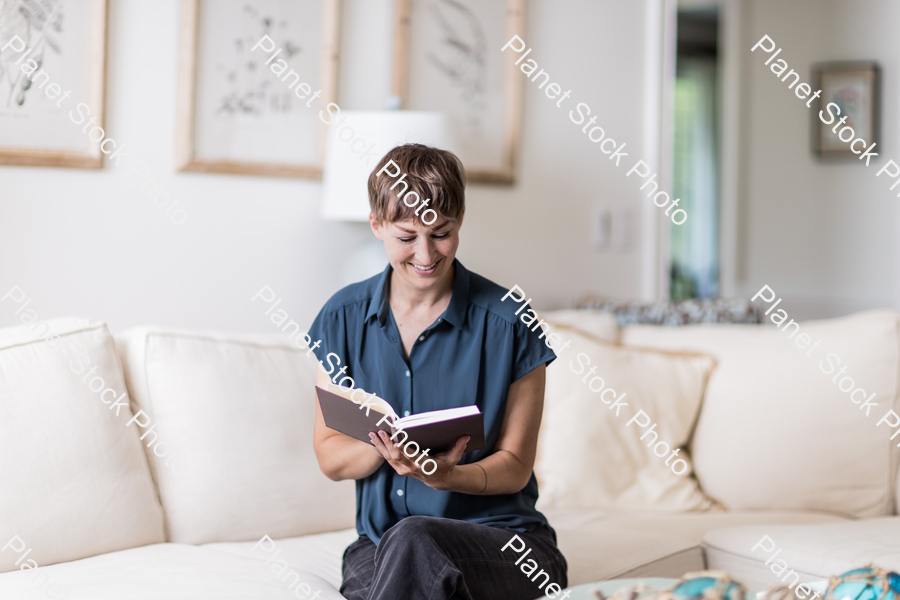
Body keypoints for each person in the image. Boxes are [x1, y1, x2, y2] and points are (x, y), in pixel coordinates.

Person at [308, 143, 568, 600]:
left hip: (506, 544)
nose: (425, 255)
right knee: (408, 547)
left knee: (415, 540)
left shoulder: (510, 322)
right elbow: (330, 456)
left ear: (460, 220)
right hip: (381, 546)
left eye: (441, 233)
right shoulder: (341, 318)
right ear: (377, 225)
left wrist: (447, 477)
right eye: (406, 236)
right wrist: (386, 446)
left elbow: (514, 466)